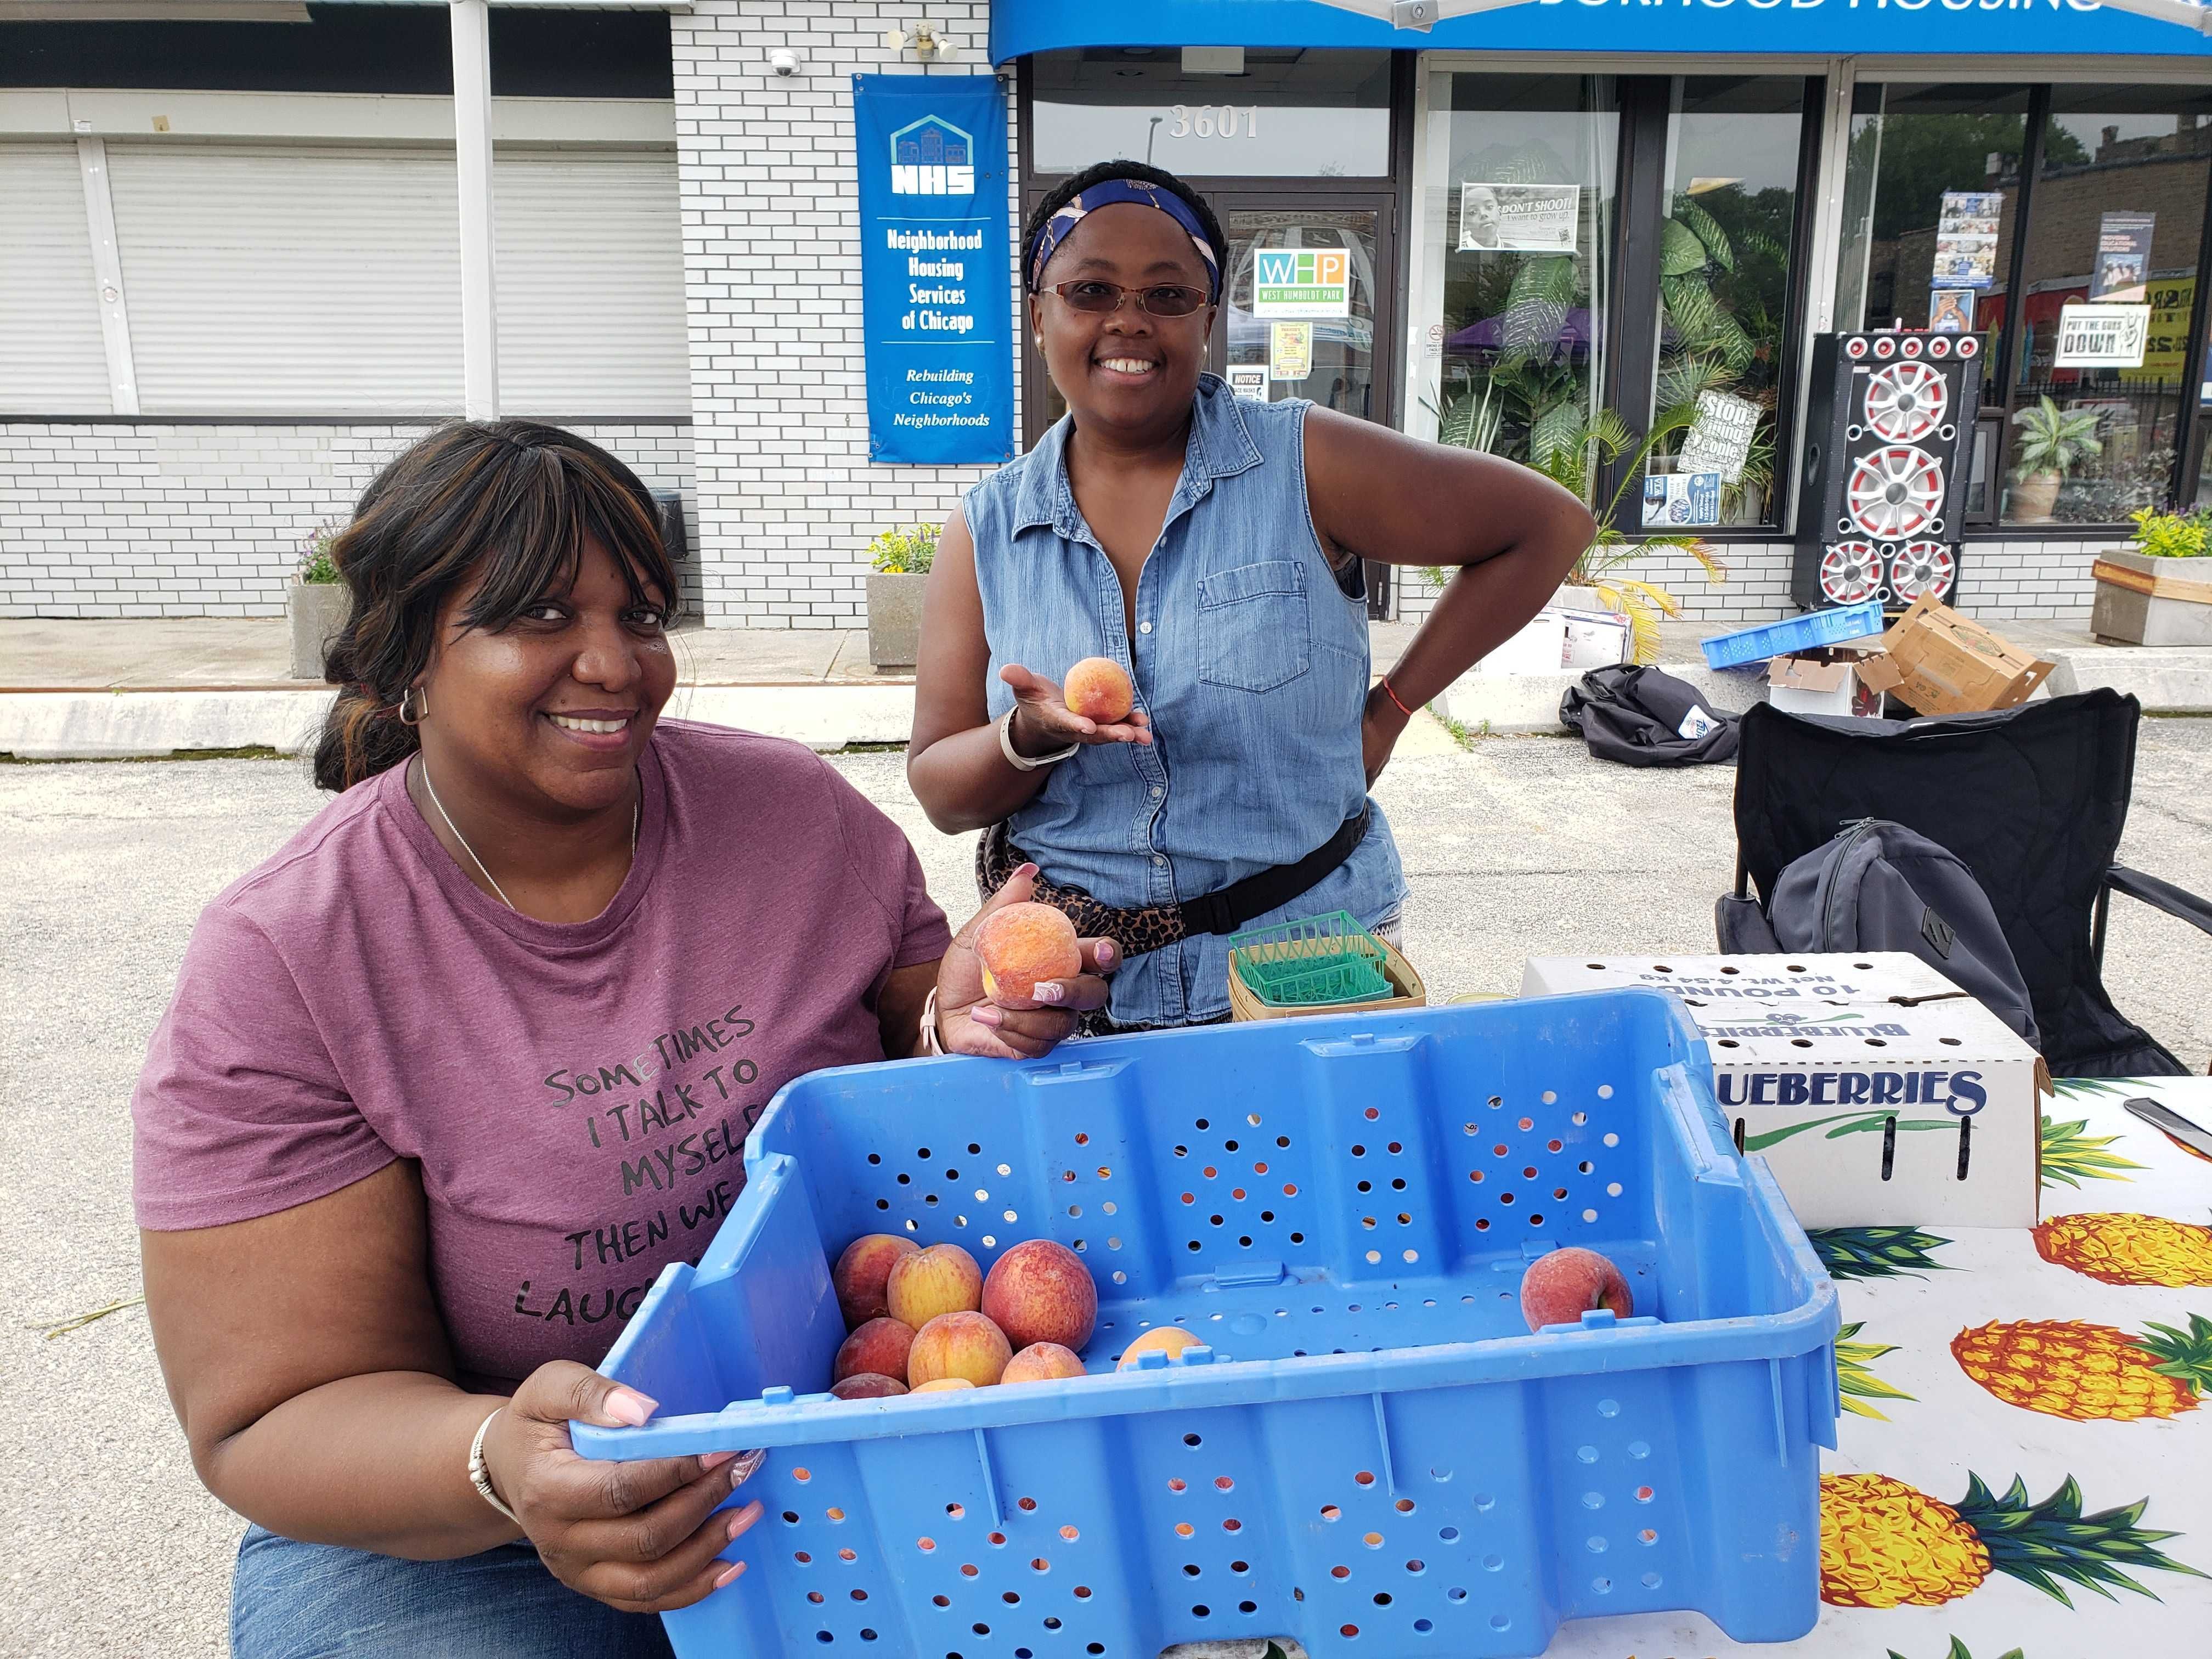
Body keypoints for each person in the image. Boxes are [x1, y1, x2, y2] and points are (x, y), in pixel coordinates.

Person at [131, 421, 1115, 1658]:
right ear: (405, 660)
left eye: (641, 615)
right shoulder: (291, 959)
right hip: (474, 1535)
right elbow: (269, 1416)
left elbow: (907, 1044)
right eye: (540, 616)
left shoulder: (788, 817)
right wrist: (496, 1462)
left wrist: (953, 1023)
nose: (614, 664)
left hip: (830, 1427)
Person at [908, 160, 1593, 1031]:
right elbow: (940, 790)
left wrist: (1389, 710)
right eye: (1091, 290)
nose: (1129, 321)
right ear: (1039, 312)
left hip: (1303, 967)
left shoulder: (1305, 465)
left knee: (1310, 1168)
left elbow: (1548, 527)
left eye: (1168, 295)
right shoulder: (988, 527)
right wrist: (1028, 737)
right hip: (1074, 986)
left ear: (1210, 316)